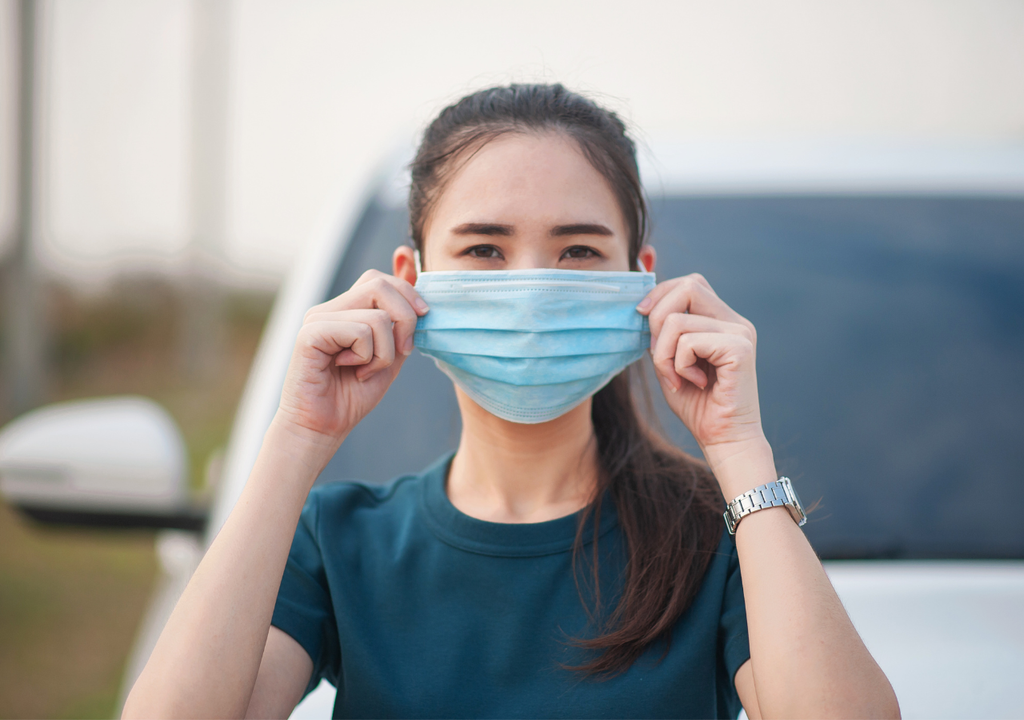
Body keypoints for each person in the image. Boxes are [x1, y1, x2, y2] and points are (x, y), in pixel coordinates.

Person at [123, 84, 899, 719]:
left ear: (642, 277)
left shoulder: (721, 538)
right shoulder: (341, 543)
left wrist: (737, 449)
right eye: (484, 249)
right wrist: (295, 436)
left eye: (579, 251)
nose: (529, 287)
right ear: (411, 276)